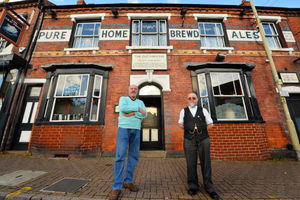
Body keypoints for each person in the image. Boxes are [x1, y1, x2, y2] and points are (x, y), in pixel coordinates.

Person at [178, 92, 220, 200]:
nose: (192, 99)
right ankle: (193, 186)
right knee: (190, 163)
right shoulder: (183, 111)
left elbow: (210, 124)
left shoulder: (203, 110)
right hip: (189, 139)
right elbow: (180, 124)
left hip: (204, 139)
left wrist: (201, 130)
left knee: (206, 163)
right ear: (187, 100)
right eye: (189, 98)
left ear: (197, 100)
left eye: (194, 98)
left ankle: (209, 188)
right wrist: (190, 130)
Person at [109, 84, 147, 200]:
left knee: (133, 156)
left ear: (137, 91)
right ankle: (116, 187)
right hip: (123, 129)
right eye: (132, 88)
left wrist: (132, 113)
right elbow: (124, 109)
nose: (133, 90)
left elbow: (144, 115)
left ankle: (128, 181)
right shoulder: (123, 99)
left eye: (135, 89)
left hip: (136, 130)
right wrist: (137, 111)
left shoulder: (141, 102)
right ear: (128, 90)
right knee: (120, 156)